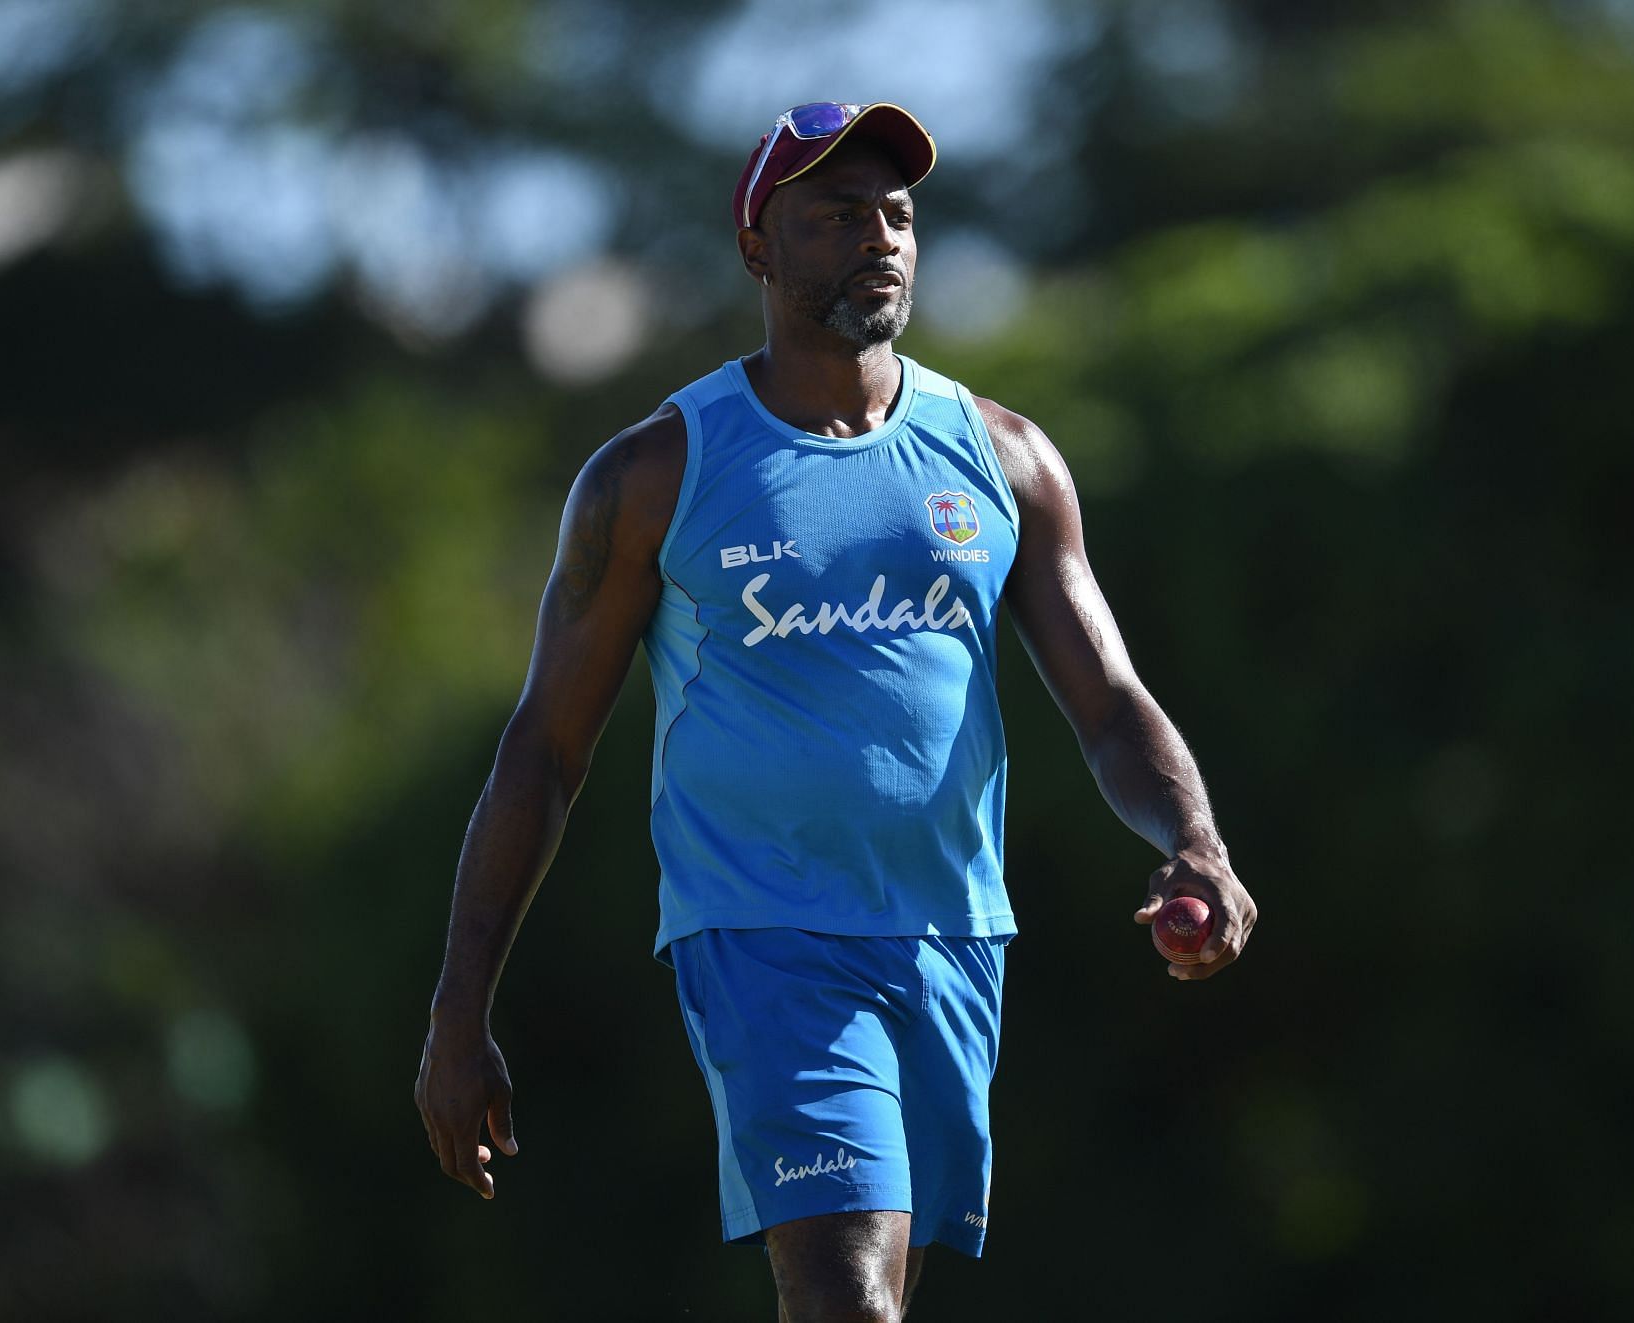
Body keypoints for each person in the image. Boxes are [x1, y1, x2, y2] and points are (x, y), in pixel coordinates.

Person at [414, 100, 1256, 1322]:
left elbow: (1110, 701)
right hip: (764, 934)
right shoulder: (655, 474)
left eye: (898, 215)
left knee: (877, 1301)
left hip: (953, 935)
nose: (880, 239)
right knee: (849, 1293)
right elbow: (544, 751)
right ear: (758, 246)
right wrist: (457, 1008)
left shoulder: (1005, 459)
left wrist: (1196, 842)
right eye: (836, 215)